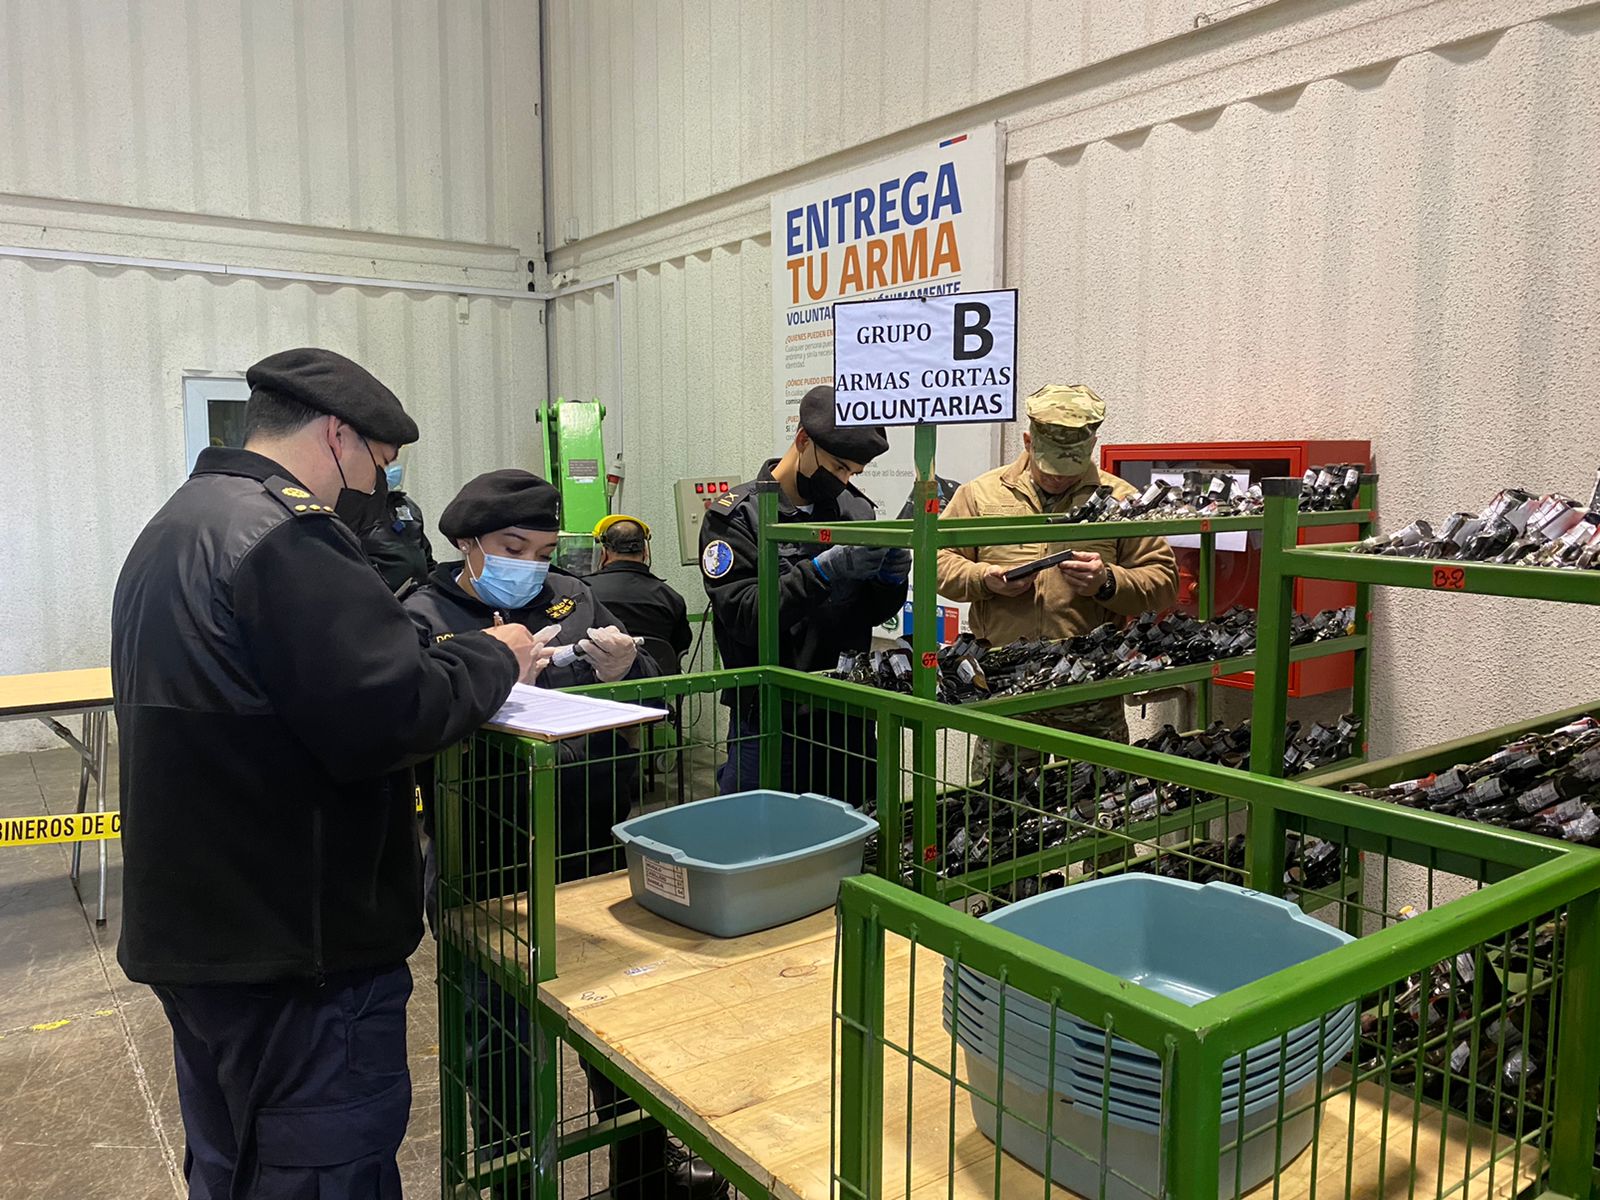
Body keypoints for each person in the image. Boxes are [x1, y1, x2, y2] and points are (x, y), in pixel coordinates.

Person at [111, 347, 536, 1200]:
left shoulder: (178, 522)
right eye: (381, 463)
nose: (378, 487)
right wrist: (497, 657)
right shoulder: (288, 538)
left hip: (201, 931)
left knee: (235, 1163)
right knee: (320, 1170)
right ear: (338, 436)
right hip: (297, 956)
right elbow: (390, 713)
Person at [406, 469, 724, 1200]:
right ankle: (515, 1177)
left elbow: (651, 690)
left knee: (622, 1021)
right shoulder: (422, 614)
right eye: (513, 547)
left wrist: (628, 668)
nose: (531, 566)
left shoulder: (575, 597)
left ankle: (647, 1171)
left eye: (545, 550)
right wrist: (489, 683)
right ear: (468, 542)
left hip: (589, 849)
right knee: (500, 1041)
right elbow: (407, 730)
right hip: (488, 862)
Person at [935, 384, 1179, 773]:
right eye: (1050, 467)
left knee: (1095, 804)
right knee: (998, 806)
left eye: (1071, 468)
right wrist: (984, 578)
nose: (1058, 479)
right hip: (1006, 689)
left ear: (1092, 446)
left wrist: (1107, 582)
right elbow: (937, 562)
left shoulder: (1121, 501)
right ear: (1028, 441)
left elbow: (1164, 580)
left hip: (1090, 691)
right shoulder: (980, 495)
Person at [699, 385, 908, 806]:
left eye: (853, 473)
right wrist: (822, 571)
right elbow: (746, 616)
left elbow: (866, 612)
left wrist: (890, 581)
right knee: (759, 833)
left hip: (846, 714)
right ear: (801, 440)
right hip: (772, 716)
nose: (843, 480)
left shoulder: (855, 510)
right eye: (838, 466)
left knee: (854, 831)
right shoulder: (738, 517)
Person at [585, 514, 692, 670]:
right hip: (656, 682)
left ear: (604, 552)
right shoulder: (670, 597)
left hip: (596, 683)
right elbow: (680, 647)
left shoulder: (584, 591)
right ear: (645, 551)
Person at [345, 451, 436, 594]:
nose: (394, 467)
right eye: (387, 461)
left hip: (418, 598)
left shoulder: (407, 506)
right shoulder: (354, 510)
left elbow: (426, 557)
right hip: (380, 600)